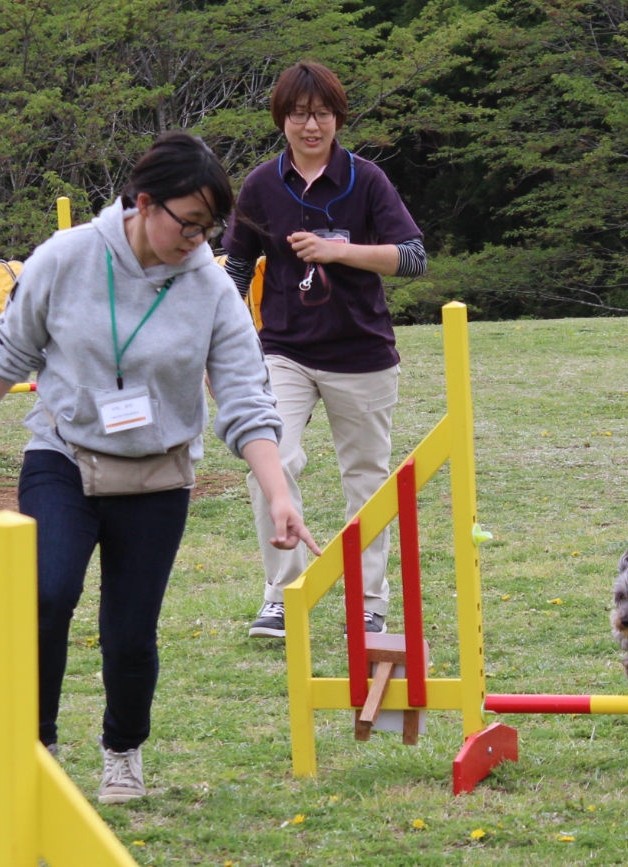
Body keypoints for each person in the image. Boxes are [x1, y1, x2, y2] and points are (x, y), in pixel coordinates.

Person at [0, 132, 321, 805]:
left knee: (129, 633)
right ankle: (36, 749)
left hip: (157, 473)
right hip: (63, 454)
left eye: (208, 229)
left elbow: (246, 399)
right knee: (45, 596)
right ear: (144, 204)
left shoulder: (209, 288)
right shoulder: (68, 256)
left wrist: (278, 490)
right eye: (187, 224)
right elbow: (10, 350)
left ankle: (122, 751)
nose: (197, 241)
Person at [222, 60, 426, 638]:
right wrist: (232, 340)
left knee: (365, 476)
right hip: (283, 350)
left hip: (362, 353)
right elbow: (235, 270)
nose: (311, 126)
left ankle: (368, 601)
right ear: (281, 119)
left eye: (322, 114)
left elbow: (413, 258)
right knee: (272, 461)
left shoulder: (369, 180)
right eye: (298, 115)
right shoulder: (261, 184)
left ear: (337, 117)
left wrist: (342, 252)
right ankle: (284, 595)